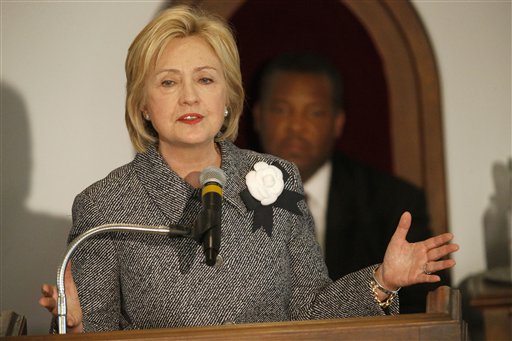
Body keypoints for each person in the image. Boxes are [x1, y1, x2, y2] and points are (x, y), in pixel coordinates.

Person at [39, 5, 458, 333]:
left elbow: (310, 310)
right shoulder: (104, 206)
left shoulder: (276, 178)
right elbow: (96, 331)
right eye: (168, 82)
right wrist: (74, 327)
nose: (189, 98)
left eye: (205, 80)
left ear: (227, 96)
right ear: (143, 105)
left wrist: (383, 280)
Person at [251, 52, 445, 313]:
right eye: (281, 110)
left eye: (315, 113)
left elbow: (424, 310)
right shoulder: (225, 194)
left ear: (338, 122)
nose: (296, 126)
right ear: (258, 116)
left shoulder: (394, 203)